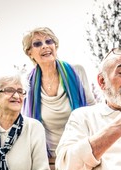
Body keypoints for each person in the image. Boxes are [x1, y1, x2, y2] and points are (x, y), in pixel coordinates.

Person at [22, 27, 96, 157]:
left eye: (49, 41)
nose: (45, 46)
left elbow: (92, 109)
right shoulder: (27, 82)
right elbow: (27, 122)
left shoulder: (77, 71)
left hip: (79, 152)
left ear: (55, 46)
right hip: (46, 156)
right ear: (29, 53)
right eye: (38, 44)